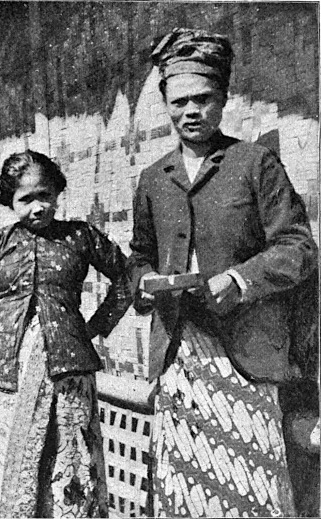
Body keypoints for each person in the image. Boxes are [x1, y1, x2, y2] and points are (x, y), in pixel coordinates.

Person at [128, 28, 318, 518]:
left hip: (245, 353)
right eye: (179, 102)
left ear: (223, 98)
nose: (192, 111)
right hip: (180, 356)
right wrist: (143, 284)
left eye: (204, 99)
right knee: (186, 492)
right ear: (165, 104)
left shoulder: (255, 164)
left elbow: (298, 247)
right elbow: (139, 255)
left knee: (249, 491)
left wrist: (238, 281)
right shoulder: (153, 180)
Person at [0, 150, 132, 518]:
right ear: (10, 202)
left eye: (45, 195)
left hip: (69, 380)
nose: (38, 207)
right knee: (6, 479)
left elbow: (128, 276)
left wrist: (95, 327)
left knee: (70, 474)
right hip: (6, 382)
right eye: (26, 199)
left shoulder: (80, 236)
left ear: (57, 193)